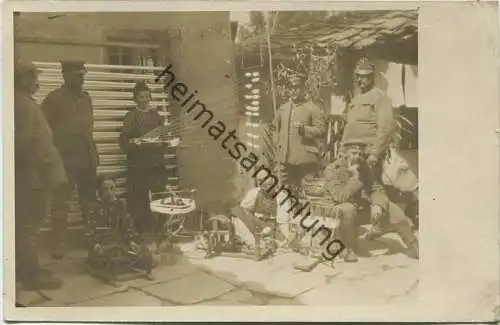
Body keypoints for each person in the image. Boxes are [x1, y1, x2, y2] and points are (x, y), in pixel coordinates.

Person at [14, 61, 68, 289]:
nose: (38, 82)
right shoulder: (24, 106)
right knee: (30, 227)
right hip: (33, 178)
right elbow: (25, 143)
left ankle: (27, 269)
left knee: (27, 226)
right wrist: (41, 169)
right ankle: (30, 276)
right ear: (24, 80)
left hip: (32, 176)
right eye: (35, 77)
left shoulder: (22, 103)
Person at [41, 60, 99, 259]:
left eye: (83, 72)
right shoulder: (53, 99)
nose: (81, 76)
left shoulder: (86, 98)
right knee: (61, 205)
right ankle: (58, 244)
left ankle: (92, 239)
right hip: (66, 162)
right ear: (65, 75)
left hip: (88, 159)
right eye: (76, 73)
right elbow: (43, 132)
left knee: (90, 203)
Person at [322, 144, 418, 262]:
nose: (358, 157)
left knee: (393, 208)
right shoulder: (332, 169)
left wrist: (378, 204)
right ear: (344, 153)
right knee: (348, 208)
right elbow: (340, 197)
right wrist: (355, 177)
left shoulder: (363, 167)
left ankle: (413, 245)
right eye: (354, 153)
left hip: (357, 207)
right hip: (334, 209)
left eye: (360, 154)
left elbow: (376, 188)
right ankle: (348, 248)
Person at [341, 58, 397, 237]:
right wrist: (343, 149)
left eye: (364, 77)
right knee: (353, 187)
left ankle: (383, 224)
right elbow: (350, 126)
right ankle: (354, 227)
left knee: (374, 187)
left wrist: (375, 153)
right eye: (358, 77)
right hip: (351, 152)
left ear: (372, 78)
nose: (360, 80)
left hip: (368, 151)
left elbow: (386, 127)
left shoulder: (380, 98)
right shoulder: (356, 99)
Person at [119, 81, 167, 236]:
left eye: (147, 96)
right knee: (139, 200)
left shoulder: (156, 115)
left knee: (160, 197)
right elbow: (123, 141)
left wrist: (164, 142)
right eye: (141, 97)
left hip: (156, 164)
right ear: (135, 99)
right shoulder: (131, 116)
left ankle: (161, 231)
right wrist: (134, 142)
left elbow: (164, 136)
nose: (145, 99)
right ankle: (143, 233)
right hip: (138, 165)